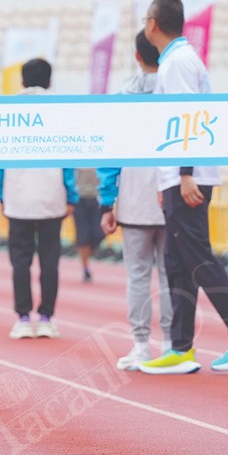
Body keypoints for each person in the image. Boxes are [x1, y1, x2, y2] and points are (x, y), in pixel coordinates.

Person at [139, 0, 228, 374]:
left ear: (153, 24)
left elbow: (188, 119)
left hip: (188, 175)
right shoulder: (176, 61)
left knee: (197, 258)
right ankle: (181, 348)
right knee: (178, 263)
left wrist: (183, 174)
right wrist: (170, 178)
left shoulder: (177, 63)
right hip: (180, 175)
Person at [97, 30, 173, 371]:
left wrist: (105, 203)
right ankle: (173, 343)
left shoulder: (121, 98)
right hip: (169, 194)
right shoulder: (176, 93)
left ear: (138, 56)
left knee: (138, 275)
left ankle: (141, 345)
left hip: (132, 197)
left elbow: (109, 156)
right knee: (171, 275)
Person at [0, 59, 78, 340]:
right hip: (51, 195)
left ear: (21, 81)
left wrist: (0, 194)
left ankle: (21, 318)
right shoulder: (60, 111)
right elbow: (68, 158)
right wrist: (72, 195)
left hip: (17, 197)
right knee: (49, 261)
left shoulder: (7, 111)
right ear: (50, 81)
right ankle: (45, 317)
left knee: (20, 261)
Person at [72, 168, 104, 282]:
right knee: (83, 237)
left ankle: (90, 248)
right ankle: (85, 269)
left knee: (99, 232)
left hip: (96, 199)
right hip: (79, 200)